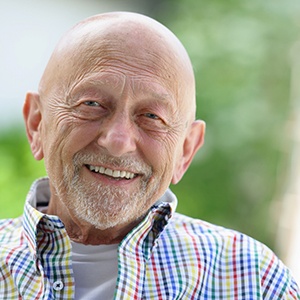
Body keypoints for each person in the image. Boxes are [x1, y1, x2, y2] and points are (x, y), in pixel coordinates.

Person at [0, 11, 298, 300]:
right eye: (91, 103)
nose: (118, 141)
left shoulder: (252, 282)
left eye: (152, 116)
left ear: (186, 150)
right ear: (37, 123)